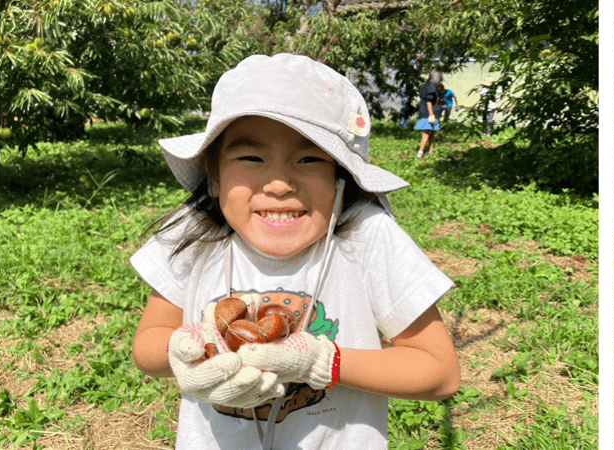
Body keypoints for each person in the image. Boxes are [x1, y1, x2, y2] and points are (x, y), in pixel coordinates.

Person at [130, 54, 461, 450]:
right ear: (213, 175)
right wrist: (187, 349)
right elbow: (147, 346)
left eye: (309, 158)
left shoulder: (366, 239)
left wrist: (322, 361)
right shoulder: (194, 235)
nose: (279, 184)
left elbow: (440, 372)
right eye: (251, 157)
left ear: (341, 179)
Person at [415, 69, 443, 158]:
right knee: (427, 133)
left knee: (433, 133)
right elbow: (429, 101)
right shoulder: (432, 87)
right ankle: (420, 152)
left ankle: (431, 151)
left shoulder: (424, 86)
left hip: (428, 112)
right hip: (430, 113)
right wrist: (431, 115)